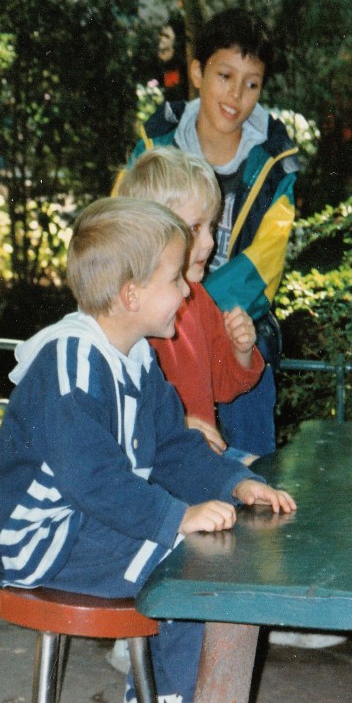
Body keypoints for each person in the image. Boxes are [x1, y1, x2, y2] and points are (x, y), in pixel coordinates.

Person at [0, 197, 296, 703]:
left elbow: (172, 448)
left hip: (89, 522)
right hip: (43, 540)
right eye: (175, 279)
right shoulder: (72, 365)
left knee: (211, 554)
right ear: (131, 294)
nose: (187, 290)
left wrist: (234, 482)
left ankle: (183, 698)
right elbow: (94, 480)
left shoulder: (137, 357)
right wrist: (177, 517)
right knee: (191, 568)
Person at [121, 8, 299, 459]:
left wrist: (199, 314)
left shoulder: (275, 166)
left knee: (249, 358)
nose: (236, 94)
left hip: (234, 314)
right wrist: (172, 301)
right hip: (156, 309)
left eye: (252, 84)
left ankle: (253, 477)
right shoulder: (154, 147)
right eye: (225, 76)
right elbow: (120, 233)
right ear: (198, 72)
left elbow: (264, 265)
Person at [117, 146, 264, 465]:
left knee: (273, 477)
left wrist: (240, 349)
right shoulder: (131, 311)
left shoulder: (197, 298)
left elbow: (224, 386)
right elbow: (119, 412)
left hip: (201, 459)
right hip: (156, 465)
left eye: (212, 227)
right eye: (196, 228)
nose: (210, 243)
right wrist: (179, 425)